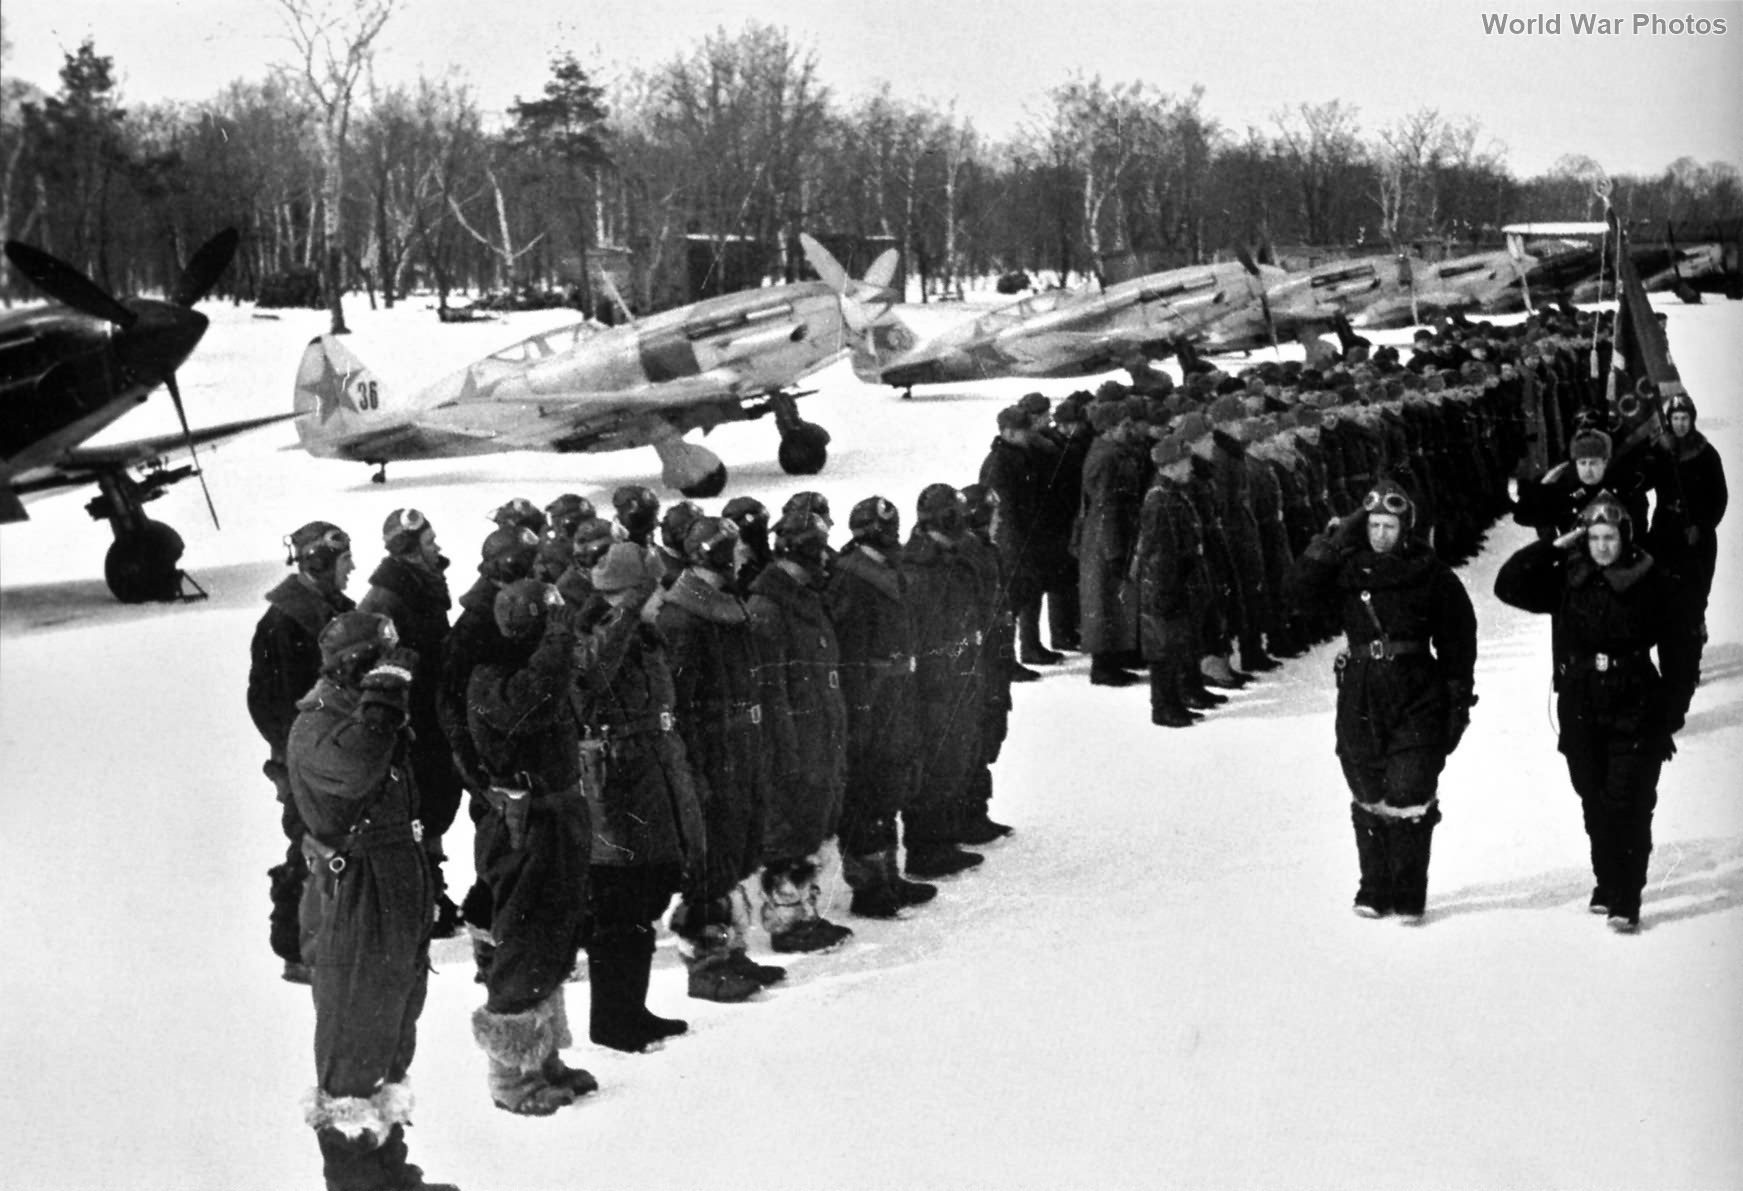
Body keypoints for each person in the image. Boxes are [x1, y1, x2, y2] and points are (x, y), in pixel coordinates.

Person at [288, 611, 455, 1191]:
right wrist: (383, 699)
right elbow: (356, 769)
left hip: (393, 887)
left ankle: (388, 1172)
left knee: (390, 1036)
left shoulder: (362, 715)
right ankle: (356, 1182)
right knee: (355, 1042)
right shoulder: (318, 724)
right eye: (378, 660)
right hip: (357, 898)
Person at [1292, 478, 1478, 922]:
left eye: (1389, 526)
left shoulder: (1432, 574)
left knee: (1410, 789)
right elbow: (1297, 597)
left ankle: (1410, 890)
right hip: (1361, 690)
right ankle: (1375, 888)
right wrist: (1330, 543)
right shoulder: (1348, 568)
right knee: (1367, 787)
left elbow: (1458, 640)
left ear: (1406, 528)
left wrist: (1457, 701)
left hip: (1417, 689)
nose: (1380, 535)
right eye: (1373, 525)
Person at [1495, 492, 1681, 932]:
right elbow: (1509, 585)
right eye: (1593, 536)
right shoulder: (1568, 577)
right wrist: (1555, 546)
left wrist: (1669, 710)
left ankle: (1626, 896)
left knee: (1628, 802)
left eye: (1609, 536)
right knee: (1594, 800)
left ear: (1625, 537)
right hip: (1581, 703)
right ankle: (1607, 880)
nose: (1601, 545)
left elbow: (1678, 640)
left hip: (1634, 701)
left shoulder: (1649, 577)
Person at [466, 579, 598, 1114]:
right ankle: (511, 1077)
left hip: (557, 815)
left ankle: (541, 1060)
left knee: (553, 937)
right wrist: (558, 644)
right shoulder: (491, 680)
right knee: (523, 942)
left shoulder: (536, 669)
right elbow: (533, 705)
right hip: (524, 825)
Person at [577, 543, 702, 1050]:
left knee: (645, 893)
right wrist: (627, 612)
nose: (665, 595)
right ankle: (612, 1020)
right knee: (620, 903)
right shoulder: (593, 635)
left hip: (648, 771)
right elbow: (593, 674)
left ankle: (632, 1008)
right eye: (656, 587)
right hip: (617, 783)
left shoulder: (640, 634)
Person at [658, 516, 784, 1001]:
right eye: (733, 552)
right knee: (709, 865)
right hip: (713, 756)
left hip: (740, 748)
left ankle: (731, 951)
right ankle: (707, 966)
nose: (742, 559)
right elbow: (678, 709)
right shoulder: (682, 619)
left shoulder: (722, 608)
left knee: (735, 853)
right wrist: (693, 775)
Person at [248, 521, 355, 983]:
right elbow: (268, 703)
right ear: (319, 564)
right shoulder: (285, 624)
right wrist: (303, 751)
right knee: (307, 845)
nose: (351, 570)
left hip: (325, 755)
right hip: (304, 761)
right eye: (344, 562)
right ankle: (294, 947)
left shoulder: (327, 611)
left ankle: (324, 936)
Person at [746, 511, 855, 952]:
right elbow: (770, 694)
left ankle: (804, 913)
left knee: (810, 824)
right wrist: (785, 753)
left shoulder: (801, 598)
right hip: (794, 741)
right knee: (788, 830)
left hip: (818, 732)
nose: (826, 559)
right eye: (818, 549)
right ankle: (788, 924)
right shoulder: (769, 609)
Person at [826, 496, 938, 917]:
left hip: (896, 692)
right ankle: (869, 886)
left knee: (891, 782)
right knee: (867, 789)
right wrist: (860, 706)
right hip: (870, 697)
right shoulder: (851, 578)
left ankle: (888, 874)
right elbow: (849, 652)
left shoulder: (883, 570)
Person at [357, 509, 463, 937]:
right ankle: (426, 899)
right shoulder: (386, 598)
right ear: (408, 549)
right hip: (413, 722)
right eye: (429, 541)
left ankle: (434, 892)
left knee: (435, 808)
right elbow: (369, 660)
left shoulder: (423, 584)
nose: (436, 547)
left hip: (432, 716)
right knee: (419, 811)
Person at [1646, 393, 1727, 728]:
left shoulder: (1706, 454)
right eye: (1675, 419)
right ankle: (1671, 664)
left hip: (1697, 540)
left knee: (1694, 600)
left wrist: (1703, 525)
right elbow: (1646, 480)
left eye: (1684, 419)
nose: (1680, 424)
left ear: (1692, 420)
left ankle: (1691, 662)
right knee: (1666, 599)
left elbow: (1719, 498)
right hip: (1666, 533)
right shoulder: (1662, 451)